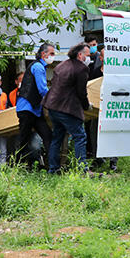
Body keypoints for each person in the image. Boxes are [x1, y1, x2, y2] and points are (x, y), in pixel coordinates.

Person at [43, 42, 92, 174]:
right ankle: (82, 169)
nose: (89, 58)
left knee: (57, 137)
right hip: (67, 108)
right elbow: (82, 92)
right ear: (80, 55)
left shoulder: (61, 65)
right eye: (88, 55)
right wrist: (87, 106)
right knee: (80, 136)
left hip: (52, 107)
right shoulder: (81, 69)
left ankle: (53, 169)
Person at [16, 43, 55, 166]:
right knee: (24, 140)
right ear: (44, 54)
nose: (53, 56)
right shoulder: (38, 67)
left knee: (48, 136)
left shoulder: (39, 67)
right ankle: (16, 167)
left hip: (35, 110)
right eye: (52, 54)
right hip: (27, 108)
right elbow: (42, 89)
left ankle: (52, 167)